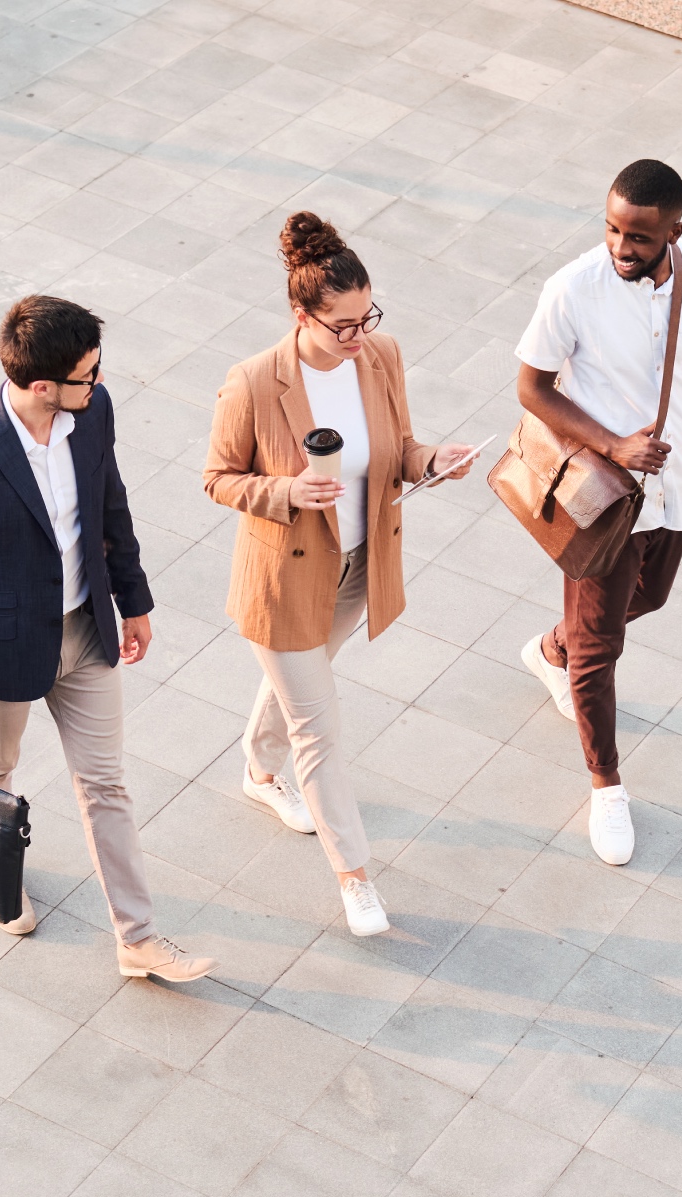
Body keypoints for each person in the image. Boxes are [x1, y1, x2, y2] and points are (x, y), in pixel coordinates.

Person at [0, 295, 216, 983]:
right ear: (43, 385)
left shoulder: (92, 413)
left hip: (85, 632)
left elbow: (111, 502)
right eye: (87, 373)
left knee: (105, 784)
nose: (100, 381)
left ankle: (137, 938)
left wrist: (133, 600)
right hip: (1, 650)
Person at [204, 212, 475, 936]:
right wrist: (285, 491)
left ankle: (256, 773)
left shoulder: (380, 357)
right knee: (317, 729)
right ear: (301, 316)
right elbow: (218, 479)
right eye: (342, 326)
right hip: (285, 578)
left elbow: (399, 448)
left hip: (357, 569)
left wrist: (429, 461)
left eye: (366, 318)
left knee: (303, 683)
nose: (358, 337)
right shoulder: (256, 382)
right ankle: (354, 876)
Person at [515, 158, 682, 866]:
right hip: (600, 499)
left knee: (649, 597)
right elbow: (531, 386)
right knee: (600, 651)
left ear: (674, 230)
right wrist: (613, 443)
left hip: (674, 490)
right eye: (612, 229)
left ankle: (553, 646)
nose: (621, 247)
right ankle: (605, 784)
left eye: (639, 237)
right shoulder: (573, 288)